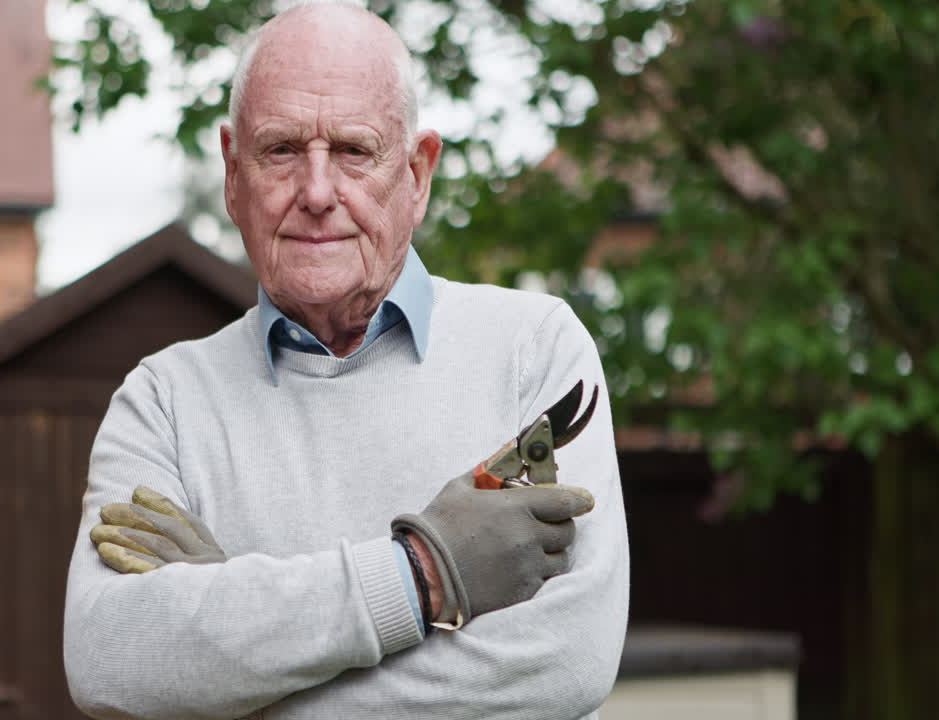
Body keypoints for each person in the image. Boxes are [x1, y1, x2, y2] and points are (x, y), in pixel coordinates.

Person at [62, 3, 628, 718]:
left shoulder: (534, 351)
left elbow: (566, 662)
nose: (318, 193)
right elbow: (110, 658)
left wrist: (242, 668)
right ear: (233, 176)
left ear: (418, 175)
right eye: (281, 151)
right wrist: (423, 575)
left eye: (355, 152)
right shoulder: (164, 402)